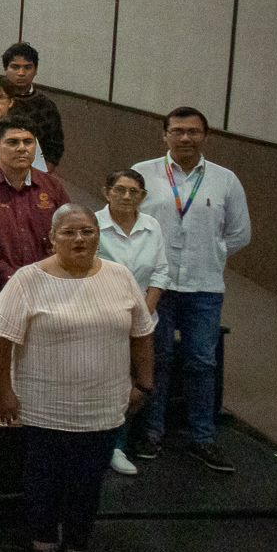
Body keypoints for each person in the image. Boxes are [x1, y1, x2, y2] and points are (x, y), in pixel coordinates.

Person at [0, 204, 153, 552]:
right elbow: (1, 341)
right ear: (52, 239)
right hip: (45, 404)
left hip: (104, 403)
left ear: (99, 235)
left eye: (87, 231)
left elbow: (142, 332)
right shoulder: (28, 280)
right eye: (69, 233)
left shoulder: (120, 276)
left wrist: (143, 383)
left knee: (88, 480)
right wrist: (5, 392)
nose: (79, 239)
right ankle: (43, 542)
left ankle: (78, 546)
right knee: (44, 477)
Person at [131, 107, 249, 473]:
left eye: (193, 132)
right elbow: (126, 219)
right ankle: (152, 433)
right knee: (159, 358)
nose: (186, 138)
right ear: (164, 135)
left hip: (204, 286)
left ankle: (203, 438)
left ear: (205, 136)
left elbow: (240, 233)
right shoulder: (143, 173)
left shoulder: (224, 179)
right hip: (156, 286)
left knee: (202, 361)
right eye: (178, 131)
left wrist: (209, 254)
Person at [95, 169, 169, 476]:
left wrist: (142, 311)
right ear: (106, 192)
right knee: (104, 382)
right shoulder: (93, 225)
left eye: (134, 191)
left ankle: (118, 446)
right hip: (102, 316)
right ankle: (96, 445)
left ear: (143, 196)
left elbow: (161, 272)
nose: (127, 196)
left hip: (142, 320)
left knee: (135, 384)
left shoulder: (152, 226)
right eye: (120, 189)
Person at [0, 115, 70, 289]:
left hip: (47, 284)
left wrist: (44, 271)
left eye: (28, 142)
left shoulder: (53, 187)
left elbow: (67, 233)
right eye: (13, 142)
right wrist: (9, 276)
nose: (22, 148)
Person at [0, 43, 64, 166]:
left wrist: (41, 176)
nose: (21, 73)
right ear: (5, 70)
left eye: (27, 67)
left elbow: (55, 148)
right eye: (15, 67)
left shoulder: (46, 106)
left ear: (36, 70)